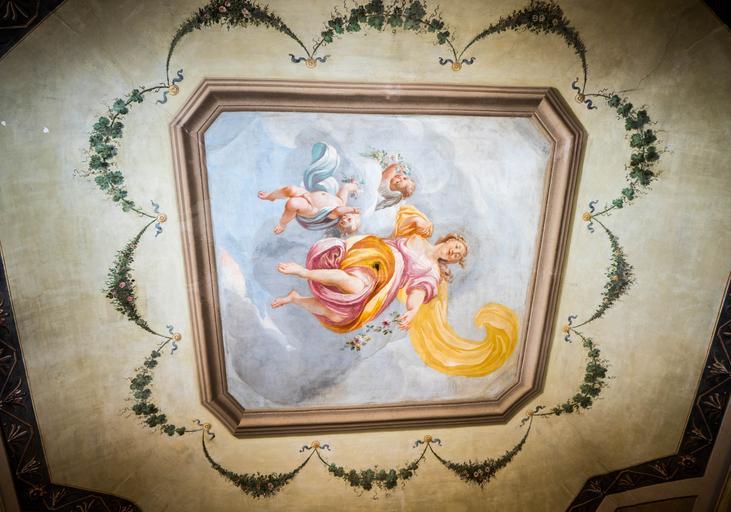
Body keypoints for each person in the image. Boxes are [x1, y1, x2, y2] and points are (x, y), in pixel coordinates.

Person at [271, 205, 518, 377]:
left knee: (342, 316)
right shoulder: (419, 236)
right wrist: (419, 222)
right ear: (448, 239)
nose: (454, 252)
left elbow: (417, 293)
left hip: (387, 282)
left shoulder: (432, 273)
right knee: (357, 286)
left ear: (453, 261)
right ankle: (303, 272)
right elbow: (399, 221)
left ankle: (296, 299)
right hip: (380, 254)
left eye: (457, 255)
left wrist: (412, 312)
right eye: (456, 246)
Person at [258, 142, 361, 235]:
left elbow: (338, 211)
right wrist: (355, 186)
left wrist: (352, 209)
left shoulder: (335, 215)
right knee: (290, 189)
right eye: (349, 219)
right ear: (354, 215)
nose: (345, 219)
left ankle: (282, 224)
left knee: (292, 204)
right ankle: (271, 196)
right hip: (308, 194)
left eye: (343, 223)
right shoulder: (342, 201)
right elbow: (345, 188)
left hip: (311, 208)